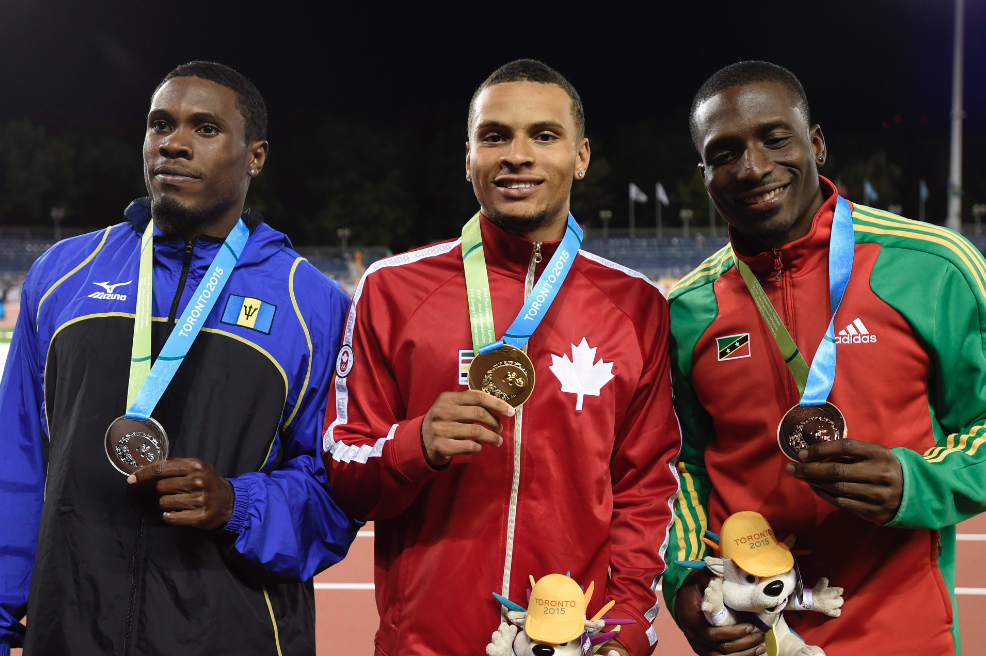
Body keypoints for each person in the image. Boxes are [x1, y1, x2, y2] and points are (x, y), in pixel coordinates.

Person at [321, 59, 682, 656]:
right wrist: (416, 444)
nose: (517, 154)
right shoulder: (393, 290)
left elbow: (645, 489)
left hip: (574, 641)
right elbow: (343, 469)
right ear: (469, 158)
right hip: (427, 642)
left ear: (582, 156)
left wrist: (623, 630)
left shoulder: (636, 305)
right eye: (495, 136)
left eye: (544, 135)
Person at [0, 61, 358, 656]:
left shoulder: (312, 304)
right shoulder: (62, 277)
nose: (174, 143)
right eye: (159, 124)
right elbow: (16, 464)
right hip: (71, 630)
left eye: (206, 128)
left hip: (235, 633)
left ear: (256, 156)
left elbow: (335, 493)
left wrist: (237, 504)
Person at [663, 60, 986, 656]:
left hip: (904, 634)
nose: (753, 166)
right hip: (756, 636)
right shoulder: (687, 312)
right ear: (705, 173)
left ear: (816, 143)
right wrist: (685, 577)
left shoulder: (932, 268)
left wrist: (918, 482)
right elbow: (680, 468)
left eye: (775, 138)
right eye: (724, 152)